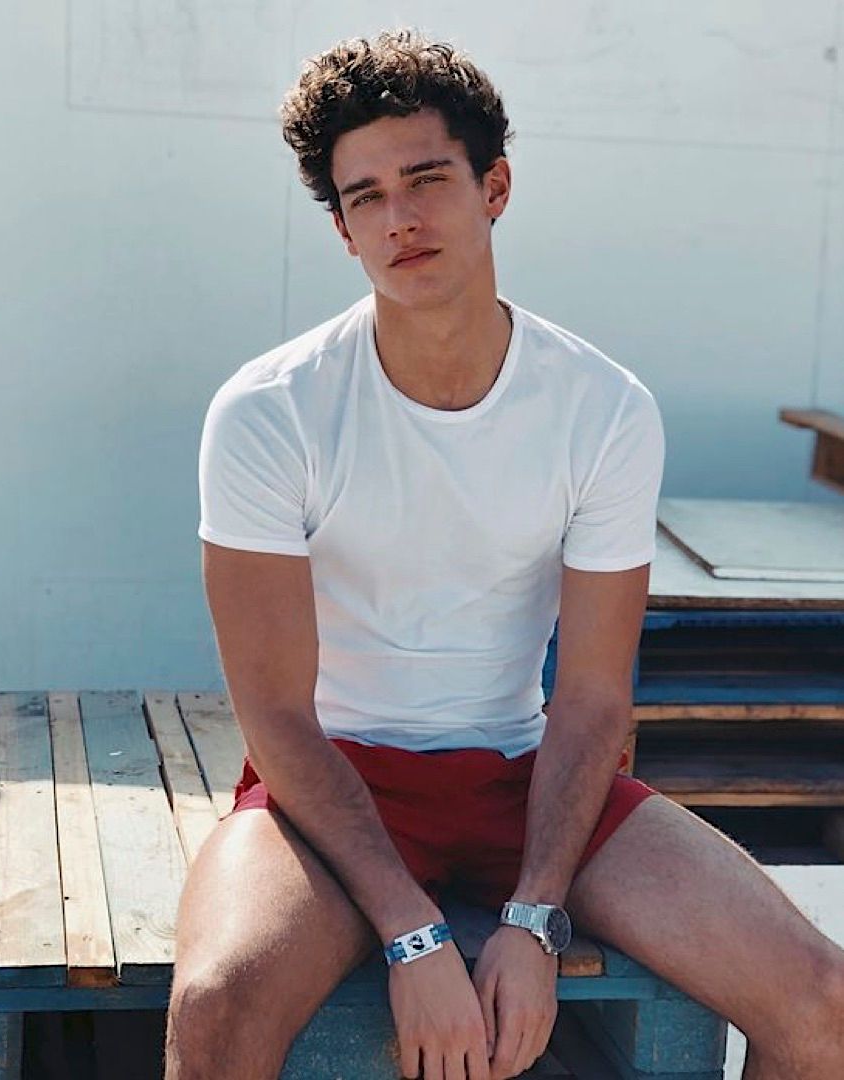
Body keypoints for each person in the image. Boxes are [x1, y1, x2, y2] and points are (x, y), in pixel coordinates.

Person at [166, 29, 844, 1080]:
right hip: (333, 785)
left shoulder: (602, 409)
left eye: (427, 178)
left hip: (523, 776)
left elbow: (590, 701)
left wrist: (531, 918)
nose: (400, 218)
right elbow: (279, 718)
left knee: (822, 1001)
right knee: (216, 1006)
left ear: (496, 186)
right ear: (343, 231)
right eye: (365, 197)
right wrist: (412, 931)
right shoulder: (268, 412)